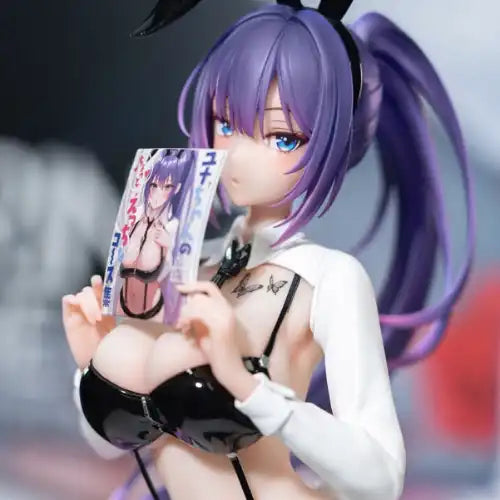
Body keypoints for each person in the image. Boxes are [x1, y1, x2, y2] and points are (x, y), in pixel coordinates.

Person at [62, 2, 474, 499]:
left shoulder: (328, 278)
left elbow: (381, 479)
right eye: (225, 123)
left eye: (281, 137)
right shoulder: (191, 264)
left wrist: (247, 386)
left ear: (331, 142)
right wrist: (94, 363)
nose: (237, 155)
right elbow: (113, 445)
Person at [118, 149, 195, 323]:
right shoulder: (133, 218)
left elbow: (180, 274)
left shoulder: (173, 228)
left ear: (177, 189)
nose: (158, 193)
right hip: (120, 306)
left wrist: (170, 246)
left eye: (167, 187)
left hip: (156, 311)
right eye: (154, 185)